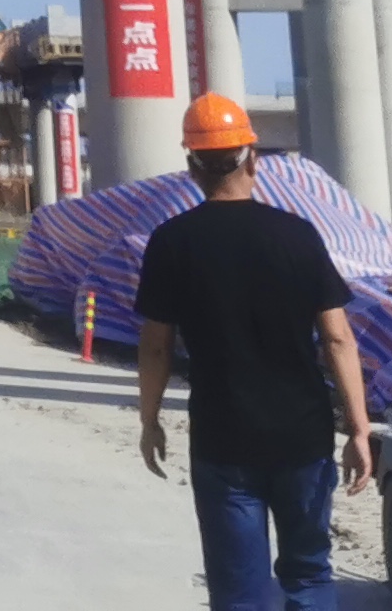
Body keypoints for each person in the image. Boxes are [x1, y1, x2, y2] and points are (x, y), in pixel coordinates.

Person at [136, 92, 375, 611]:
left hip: (223, 438)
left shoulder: (171, 242)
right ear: (253, 159)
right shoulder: (298, 236)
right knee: (309, 575)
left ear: (191, 168)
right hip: (303, 437)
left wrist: (149, 420)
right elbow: (338, 338)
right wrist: (359, 429)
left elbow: (155, 347)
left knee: (239, 591)